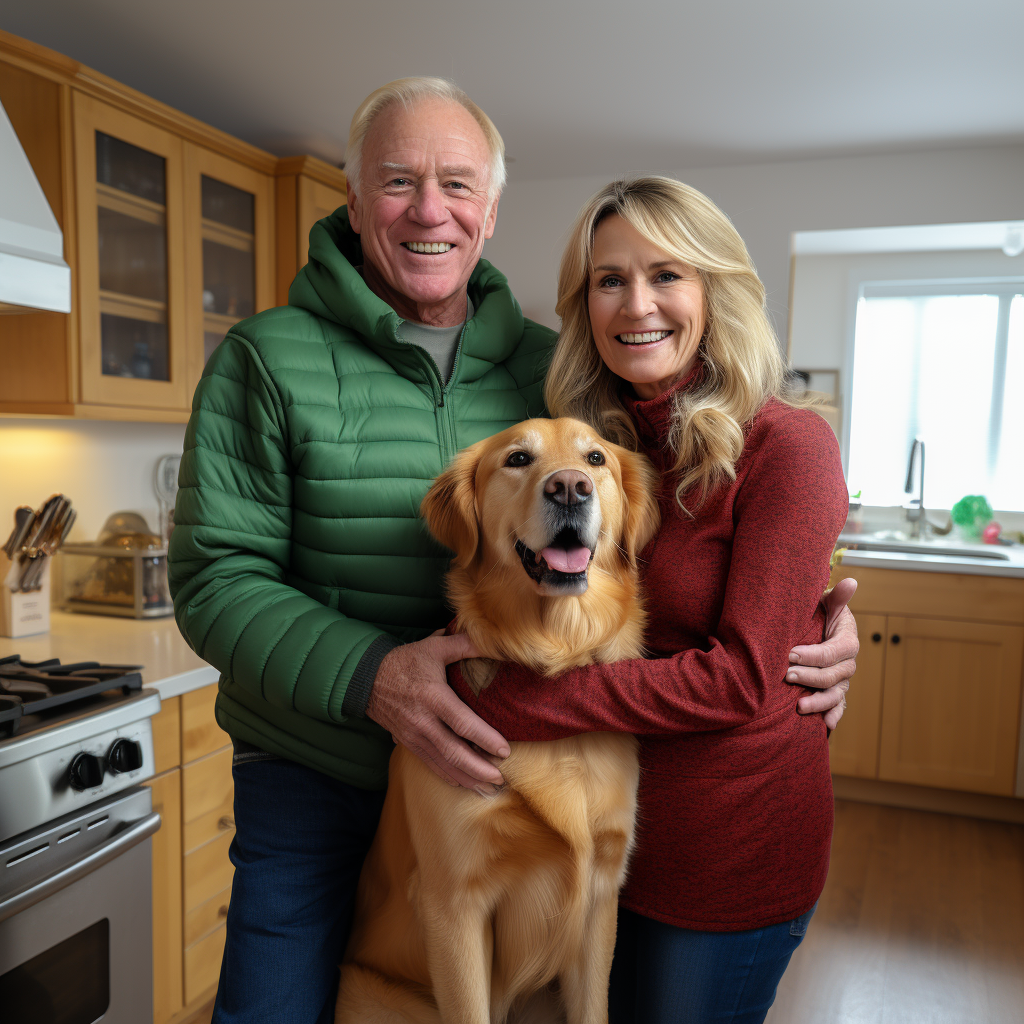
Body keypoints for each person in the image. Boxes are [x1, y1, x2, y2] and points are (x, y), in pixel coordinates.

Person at [168, 78, 857, 1024]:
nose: (428, 209)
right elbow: (216, 580)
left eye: (456, 183)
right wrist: (379, 678)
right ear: (355, 197)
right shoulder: (264, 358)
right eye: (398, 181)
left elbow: (657, 546)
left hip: (518, 759)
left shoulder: (558, 372)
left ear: (491, 211)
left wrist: (814, 629)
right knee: (274, 1007)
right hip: (318, 768)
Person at [448, 176, 850, 1024]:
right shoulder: (594, 449)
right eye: (609, 279)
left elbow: (742, 677)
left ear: (715, 290)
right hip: (593, 836)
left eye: (668, 274)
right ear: (584, 304)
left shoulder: (788, 447)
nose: (638, 304)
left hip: (725, 853)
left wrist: (520, 697)